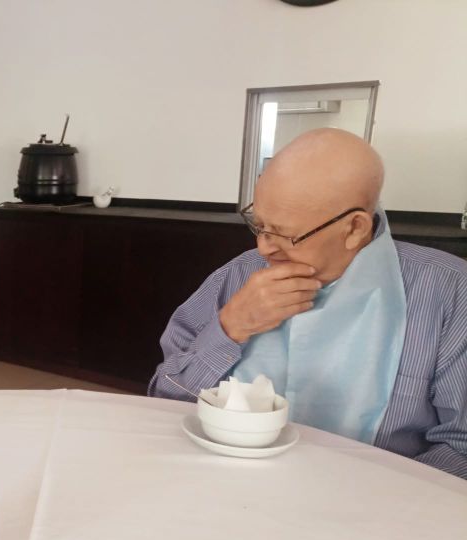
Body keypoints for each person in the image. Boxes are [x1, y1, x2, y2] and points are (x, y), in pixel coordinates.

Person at [149, 128, 467, 479]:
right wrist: (229, 327)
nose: (263, 248)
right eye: (258, 225)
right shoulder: (238, 276)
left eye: (284, 234)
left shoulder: (447, 292)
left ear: (355, 228)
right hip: (224, 481)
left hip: (371, 497)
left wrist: (376, 499)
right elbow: (165, 399)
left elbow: (461, 448)